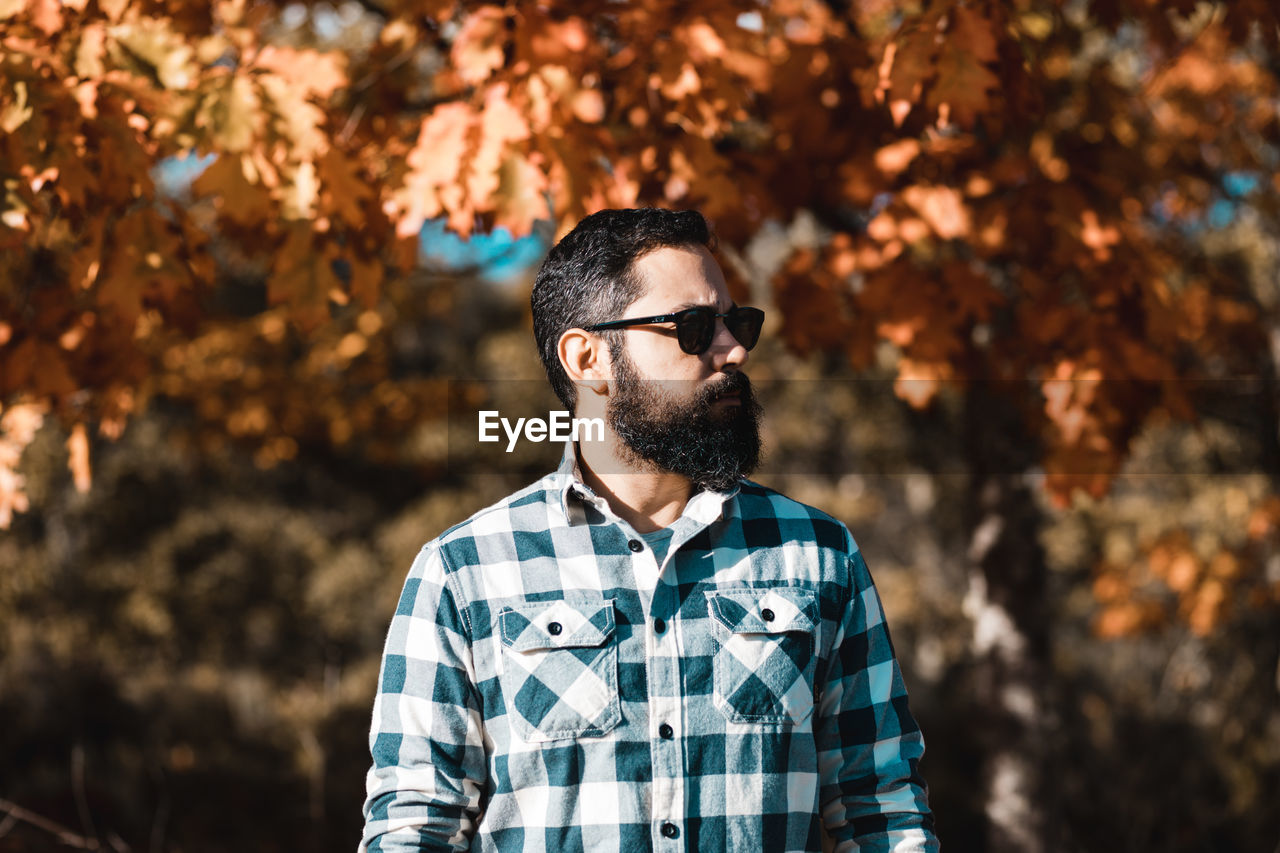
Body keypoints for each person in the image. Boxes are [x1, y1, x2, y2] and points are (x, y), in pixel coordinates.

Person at [360, 208, 938, 852]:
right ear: (588, 358)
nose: (735, 350)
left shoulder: (818, 555)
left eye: (736, 322)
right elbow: (415, 826)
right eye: (692, 328)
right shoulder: (464, 570)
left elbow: (881, 809)